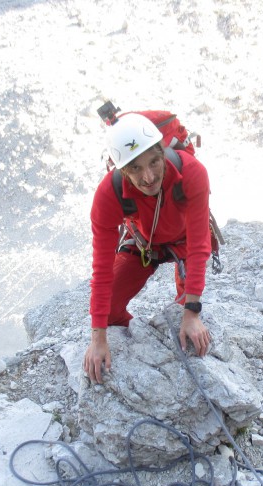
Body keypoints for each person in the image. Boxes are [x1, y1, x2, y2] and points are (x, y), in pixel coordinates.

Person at [83, 113, 212, 383]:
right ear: (120, 170)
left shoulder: (191, 172)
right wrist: (99, 336)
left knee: (184, 313)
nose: (149, 177)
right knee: (110, 309)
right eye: (135, 169)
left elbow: (200, 245)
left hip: (184, 242)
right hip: (144, 243)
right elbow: (102, 269)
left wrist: (191, 312)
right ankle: (139, 337)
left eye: (154, 162)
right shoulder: (108, 195)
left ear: (163, 152)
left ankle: (180, 314)